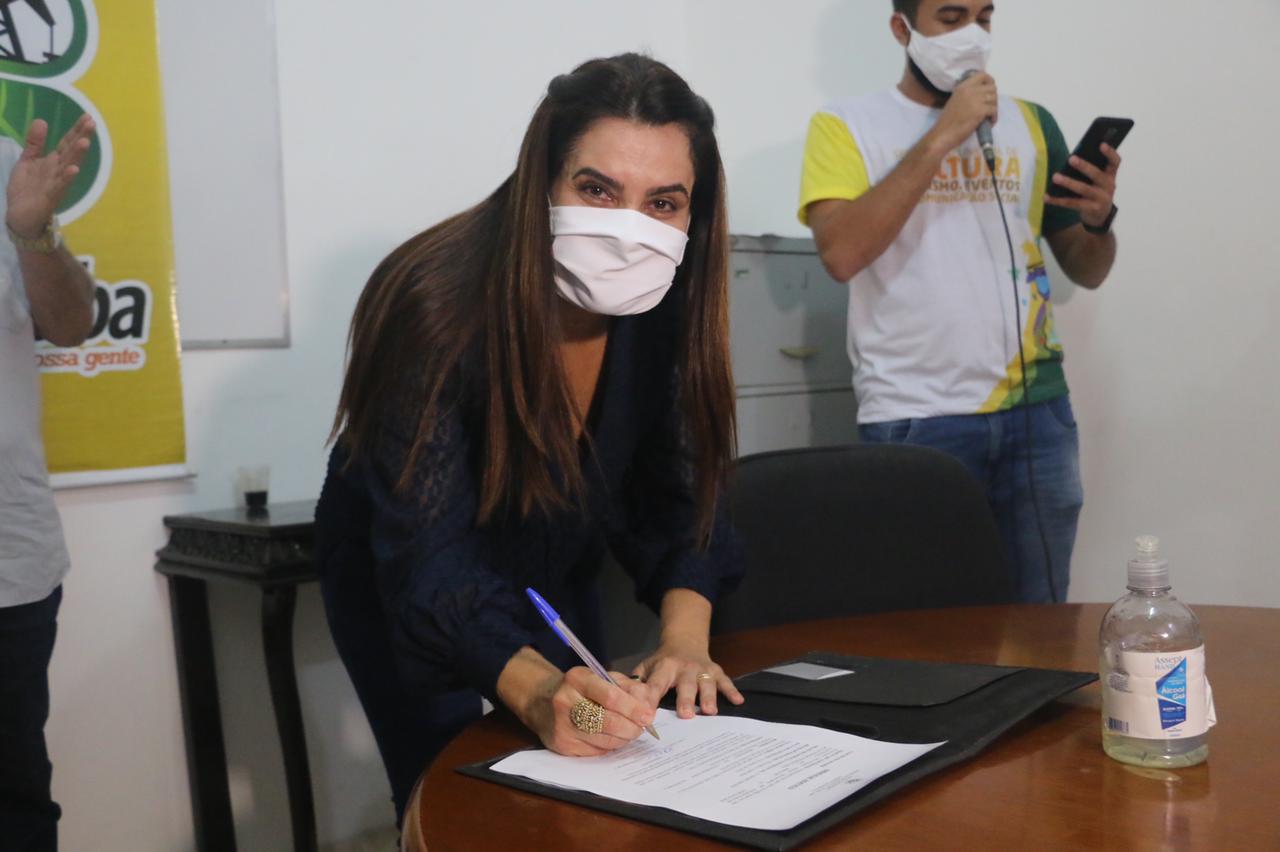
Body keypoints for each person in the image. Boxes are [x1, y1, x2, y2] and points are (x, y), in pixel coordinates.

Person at [315, 53, 746, 824]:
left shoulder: (662, 305)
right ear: (541, 180)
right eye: (597, 190)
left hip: (552, 564)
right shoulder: (431, 301)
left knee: (584, 784)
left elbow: (677, 498)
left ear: (695, 215)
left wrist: (685, 640)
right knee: (455, 802)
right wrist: (541, 692)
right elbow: (428, 569)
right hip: (409, 578)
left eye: (663, 202)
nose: (629, 230)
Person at [799, 0, 1122, 602]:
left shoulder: (1033, 124)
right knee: (924, 621)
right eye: (950, 19)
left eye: (983, 18)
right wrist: (943, 134)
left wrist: (1099, 221)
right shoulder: (845, 125)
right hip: (916, 416)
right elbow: (841, 254)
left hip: (1037, 414)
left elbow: (1087, 268)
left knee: (1040, 619)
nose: (971, 36)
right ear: (901, 29)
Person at [0, 113, 99, 851]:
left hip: (6, 562)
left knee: (16, 802)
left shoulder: (9, 166)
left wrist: (33, 234)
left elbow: (70, 325)